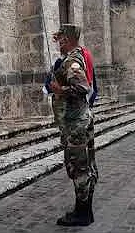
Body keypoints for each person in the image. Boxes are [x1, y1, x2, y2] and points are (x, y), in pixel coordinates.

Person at [47, 24, 98, 226]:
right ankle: (83, 210)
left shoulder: (73, 60)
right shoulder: (74, 57)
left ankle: (83, 214)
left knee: (79, 168)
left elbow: (82, 87)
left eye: (60, 39)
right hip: (79, 121)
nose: (58, 42)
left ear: (66, 40)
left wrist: (60, 89)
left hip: (77, 123)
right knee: (84, 166)